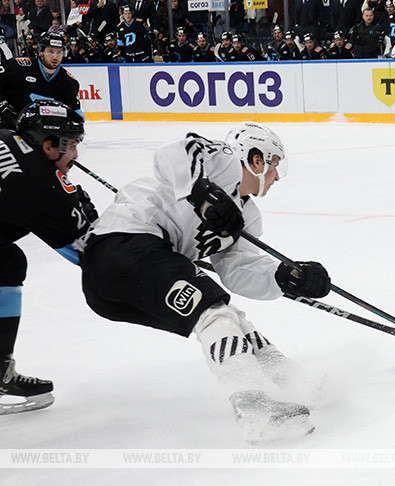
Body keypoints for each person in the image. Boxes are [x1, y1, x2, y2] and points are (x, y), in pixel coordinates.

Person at [78, 122, 330, 442]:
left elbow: (238, 271)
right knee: (214, 312)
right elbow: (173, 153)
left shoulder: (247, 217)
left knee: (228, 319)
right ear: (256, 159)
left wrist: (285, 277)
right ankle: (253, 408)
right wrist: (202, 192)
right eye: (274, 164)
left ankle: (295, 381)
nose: (277, 176)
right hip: (122, 246)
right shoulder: (222, 161)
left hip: (122, 284)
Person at [0, 100, 95, 414]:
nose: (76, 156)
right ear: (49, 144)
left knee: (7, 262)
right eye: (73, 145)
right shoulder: (38, 183)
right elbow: (92, 254)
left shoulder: (7, 135)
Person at [0, 32, 81, 130]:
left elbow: (77, 117)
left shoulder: (69, 83)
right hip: (7, 132)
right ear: (40, 52)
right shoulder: (19, 67)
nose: (55, 57)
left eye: (59, 52)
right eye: (50, 51)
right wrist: (3, 106)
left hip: (41, 136)